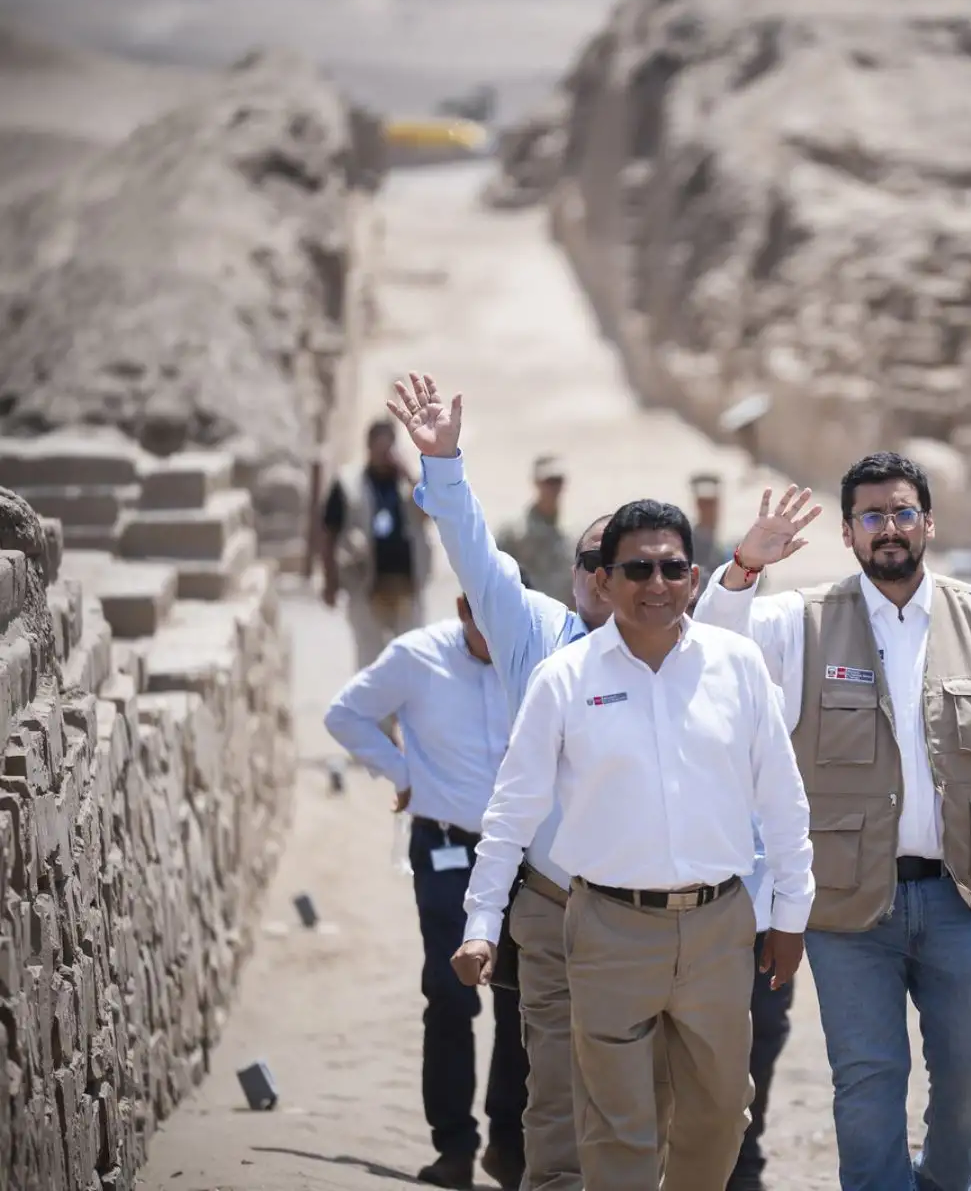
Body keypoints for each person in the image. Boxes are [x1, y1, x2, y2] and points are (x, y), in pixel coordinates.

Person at [450, 500, 815, 1190]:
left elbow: (783, 801)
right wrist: (481, 923)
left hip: (718, 930)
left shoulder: (737, 667)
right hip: (607, 929)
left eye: (672, 568)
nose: (657, 584)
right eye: (638, 569)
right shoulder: (563, 679)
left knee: (720, 1114)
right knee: (617, 1125)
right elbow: (513, 810)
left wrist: (791, 916)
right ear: (603, 582)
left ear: (695, 578)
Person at [694, 452, 971, 1191]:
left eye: (903, 512)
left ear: (929, 523)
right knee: (868, 1082)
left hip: (963, 898)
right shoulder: (801, 622)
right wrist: (744, 568)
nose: (889, 529)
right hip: (848, 906)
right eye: (872, 516)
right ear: (848, 533)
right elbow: (712, 652)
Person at [388, 373, 613, 1191]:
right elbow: (477, 559)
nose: (598, 574)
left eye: (614, 562)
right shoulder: (536, 634)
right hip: (551, 902)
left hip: (654, 911)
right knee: (547, 1085)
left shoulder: (678, 649)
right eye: (588, 562)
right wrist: (446, 465)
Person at [324, 595, 528, 1189]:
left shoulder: (536, 654)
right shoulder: (416, 656)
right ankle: (455, 1147)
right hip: (444, 851)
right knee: (450, 993)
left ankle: (508, 1144)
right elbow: (345, 714)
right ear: (463, 608)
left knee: (521, 999)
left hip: (520, 854)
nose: (496, 638)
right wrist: (404, 772)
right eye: (485, 621)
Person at [319, 418, 434, 669]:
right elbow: (329, 533)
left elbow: (432, 513)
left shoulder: (410, 485)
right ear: (368, 447)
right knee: (370, 665)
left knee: (411, 662)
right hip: (364, 586)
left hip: (406, 587)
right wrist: (330, 581)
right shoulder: (348, 484)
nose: (384, 452)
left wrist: (408, 475)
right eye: (378, 445)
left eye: (388, 445)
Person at [496, 455, 576, 610]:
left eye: (557, 481)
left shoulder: (572, 536)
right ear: (536, 483)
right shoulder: (514, 534)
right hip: (525, 618)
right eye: (548, 482)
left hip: (563, 620)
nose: (553, 488)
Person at [690, 472, 731, 581]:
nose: (713, 512)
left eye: (714, 506)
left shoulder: (721, 548)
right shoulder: (690, 543)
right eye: (707, 506)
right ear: (699, 506)